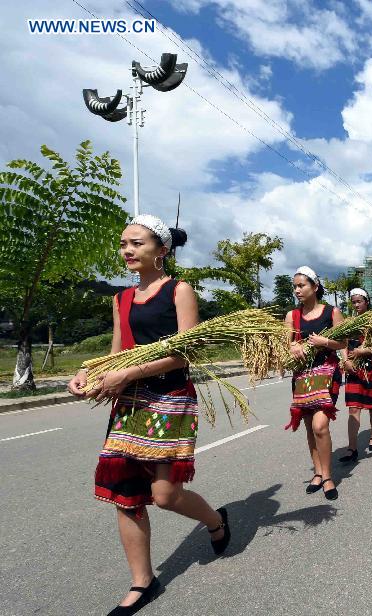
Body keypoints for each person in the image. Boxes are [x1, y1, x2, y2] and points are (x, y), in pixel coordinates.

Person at [68, 215, 229, 615]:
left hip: (170, 397)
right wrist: (90, 373)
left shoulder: (179, 290)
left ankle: (215, 521)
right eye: (123, 244)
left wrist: (128, 372)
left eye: (137, 243)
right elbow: (117, 352)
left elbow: (184, 352)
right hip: (130, 404)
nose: (127, 250)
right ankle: (143, 581)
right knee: (126, 494)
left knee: (165, 495)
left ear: (161, 250)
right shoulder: (120, 299)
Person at [284, 266, 346, 501]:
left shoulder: (332, 312)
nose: (297, 290)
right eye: (295, 286)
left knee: (321, 425)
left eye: (302, 285)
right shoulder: (293, 316)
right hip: (302, 376)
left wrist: (325, 341)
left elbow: (342, 343)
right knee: (310, 427)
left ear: (315, 287)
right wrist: (293, 346)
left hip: (327, 372)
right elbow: (285, 344)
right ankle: (318, 472)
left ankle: (328, 476)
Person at [338, 288, 372, 463]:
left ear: (367, 302)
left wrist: (362, 351)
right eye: (354, 302)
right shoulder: (349, 322)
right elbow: (342, 343)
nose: (356, 305)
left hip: (371, 367)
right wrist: (346, 361)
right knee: (353, 408)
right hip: (353, 369)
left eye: (359, 301)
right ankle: (352, 448)